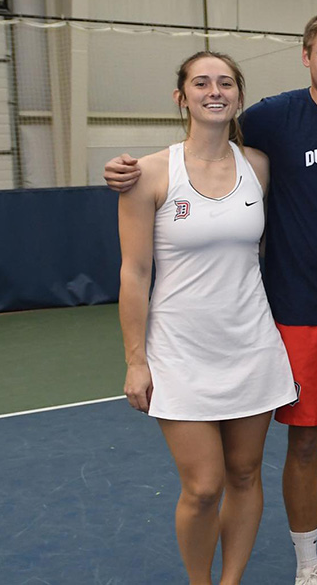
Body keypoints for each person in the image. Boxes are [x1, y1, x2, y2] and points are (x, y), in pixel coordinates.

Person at [105, 9, 317, 585]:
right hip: (293, 316)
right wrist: (128, 168)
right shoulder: (272, 122)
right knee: (295, 445)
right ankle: (307, 566)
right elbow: (198, 143)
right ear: (306, 57)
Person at [118, 51, 297, 585]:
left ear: (239, 96)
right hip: (178, 353)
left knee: (244, 474)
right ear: (182, 97)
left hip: (251, 347)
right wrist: (135, 361)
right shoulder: (148, 172)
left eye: (225, 83)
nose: (214, 91)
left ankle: (231, 581)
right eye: (201, 83)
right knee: (202, 486)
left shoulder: (259, 167)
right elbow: (133, 274)